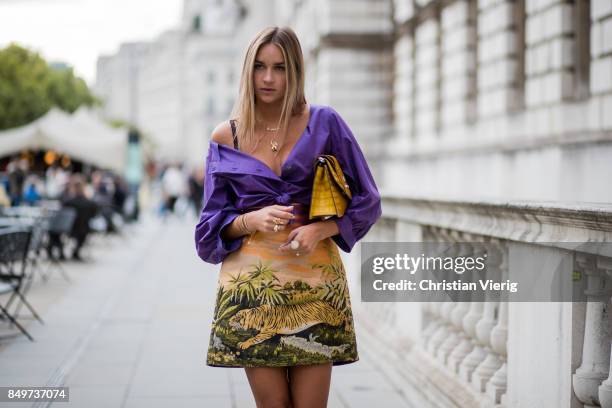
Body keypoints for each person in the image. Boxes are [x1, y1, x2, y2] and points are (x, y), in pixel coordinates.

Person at [194, 26, 382, 407]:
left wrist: (323, 229)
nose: (267, 78)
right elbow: (207, 234)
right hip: (251, 291)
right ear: (248, 71)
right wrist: (251, 220)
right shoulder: (225, 136)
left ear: (294, 70)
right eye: (260, 67)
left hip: (314, 282)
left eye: (279, 68)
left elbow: (369, 199)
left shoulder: (325, 123)